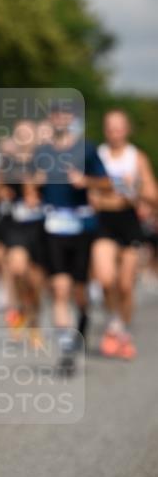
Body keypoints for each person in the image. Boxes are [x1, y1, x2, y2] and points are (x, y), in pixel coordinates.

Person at [33, 103, 110, 375]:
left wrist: (86, 181)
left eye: (65, 115)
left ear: (74, 120)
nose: (60, 119)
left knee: (78, 289)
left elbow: (107, 183)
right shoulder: (42, 151)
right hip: (53, 224)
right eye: (56, 115)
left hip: (82, 224)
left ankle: (85, 315)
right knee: (60, 287)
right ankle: (66, 348)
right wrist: (34, 186)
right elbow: (29, 183)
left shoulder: (87, 149)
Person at [90, 109, 158, 360]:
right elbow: (86, 188)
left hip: (128, 222)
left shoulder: (136, 158)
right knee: (106, 279)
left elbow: (153, 196)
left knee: (126, 285)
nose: (114, 132)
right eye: (110, 127)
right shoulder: (96, 156)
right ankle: (112, 322)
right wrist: (93, 194)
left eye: (119, 127)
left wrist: (136, 191)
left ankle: (123, 331)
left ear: (127, 129)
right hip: (103, 223)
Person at [0, 120, 46, 343]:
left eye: (28, 133)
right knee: (16, 269)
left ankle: (33, 318)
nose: (24, 138)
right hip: (16, 224)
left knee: (34, 281)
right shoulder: (7, 164)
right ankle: (18, 311)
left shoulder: (45, 161)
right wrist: (2, 191)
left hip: (41, 226)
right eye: (19, 134)